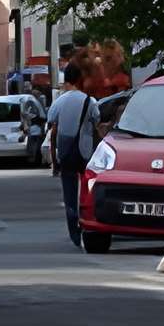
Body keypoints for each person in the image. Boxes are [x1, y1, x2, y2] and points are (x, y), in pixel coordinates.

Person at [46, 60, 99, 250]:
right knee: (87, 192)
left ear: (66, 79)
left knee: (69, 195)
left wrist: (54, 160)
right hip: (85, 154)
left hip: (66, 153)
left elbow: (53, 128)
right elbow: (96, 123)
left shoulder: (59, 102)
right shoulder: (89, 101)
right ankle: (88, 224)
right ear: (80, 79)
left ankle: (74, 234)